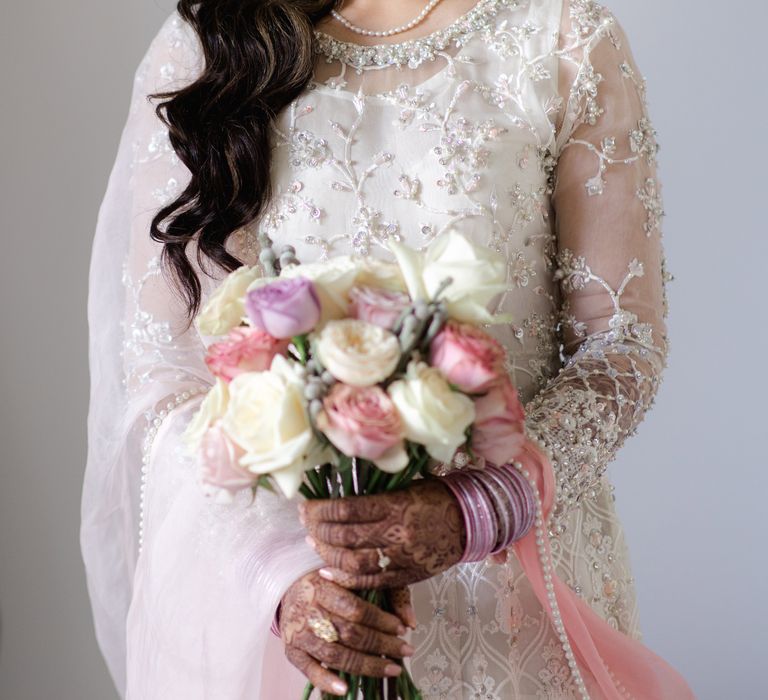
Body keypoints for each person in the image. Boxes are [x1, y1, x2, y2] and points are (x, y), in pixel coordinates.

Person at [81, 0, 695, 697]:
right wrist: (278, 581)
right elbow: (166, 373)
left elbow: (620, 345)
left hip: (513, 610)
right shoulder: (209, 43)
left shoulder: (562, 38)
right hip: (300, 618)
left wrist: (480, 507)